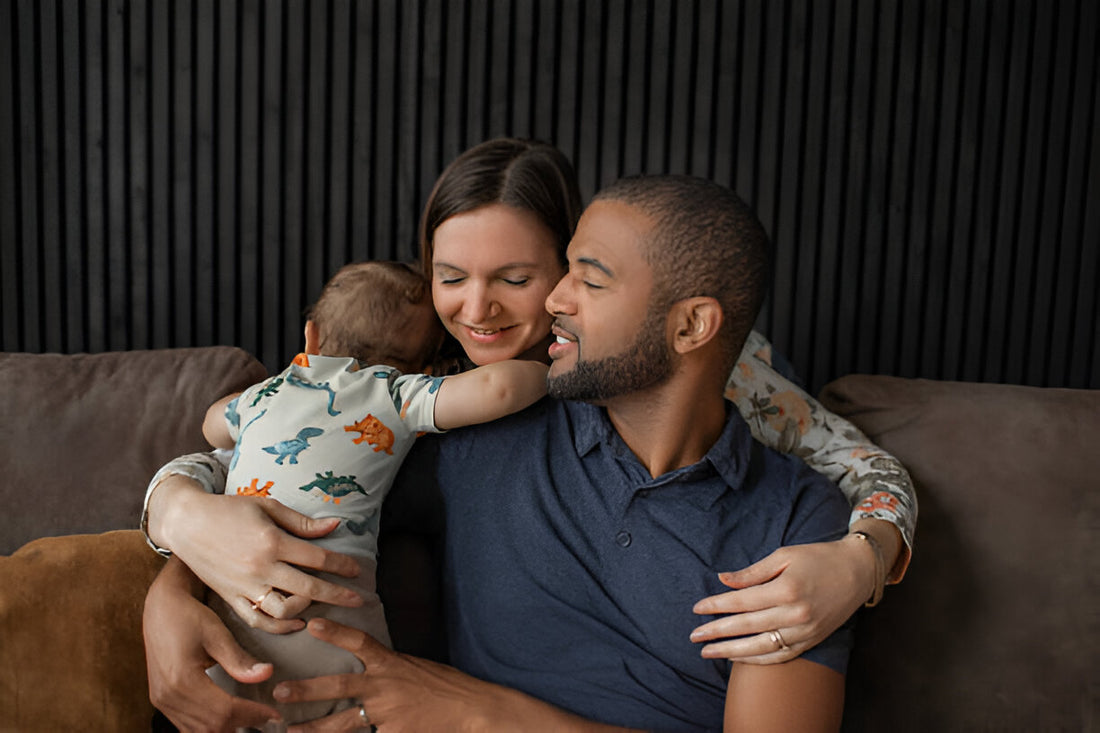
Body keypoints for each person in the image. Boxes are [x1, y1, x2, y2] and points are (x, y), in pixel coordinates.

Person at [141, 138, 917, 730]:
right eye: (452, 278)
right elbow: (265, 466)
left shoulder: (779, 477)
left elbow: (864, 468)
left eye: (523, 279)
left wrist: (864, 555)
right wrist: (174, 564)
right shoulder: (451, 412)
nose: (483, 309)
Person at [195, 261, 548, 724]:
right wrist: (550, 369)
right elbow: (499, 389)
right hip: (330, 627)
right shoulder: (393, 393)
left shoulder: (263, 396)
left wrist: (262, 398)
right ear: (422, 368)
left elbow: (212, 425)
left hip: (232, 621)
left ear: (311, 336)